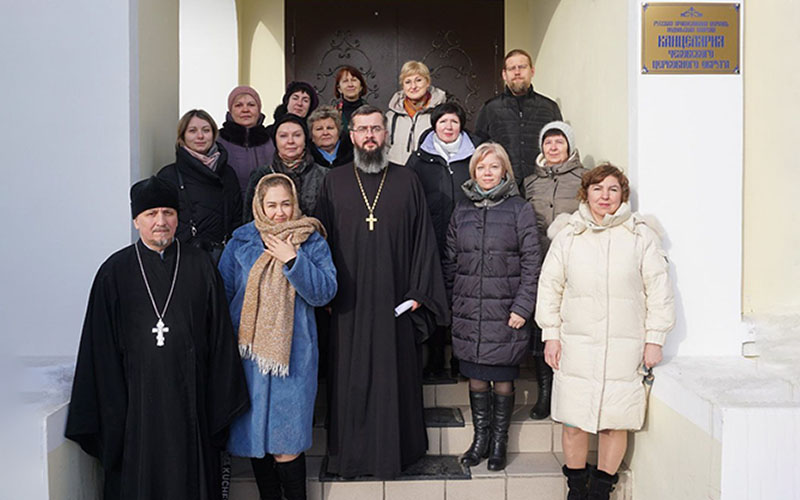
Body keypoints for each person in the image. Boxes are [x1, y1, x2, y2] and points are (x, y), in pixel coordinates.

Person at [65, 176, 249, 500]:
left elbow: (220, 339)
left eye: (168, 212)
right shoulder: (114, 272)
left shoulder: (201, 266)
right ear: (136, 220)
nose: (161, 222)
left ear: (178, 217)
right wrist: (113, 416)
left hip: (192, 404)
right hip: (135, 410)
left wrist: (217, 404)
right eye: (151, 214)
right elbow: (100, 350)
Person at [315, 105, 449, 479]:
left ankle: (399, 453)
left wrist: (419, 292)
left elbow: (424, 239)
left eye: (376, 129)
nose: (370, 135)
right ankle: (351, 458)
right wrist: (326, 292)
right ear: (352, 136)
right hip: (348, 303)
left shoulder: (407, 181)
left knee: (396, 377)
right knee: (351, 380)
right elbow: (319, 242)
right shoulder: (334, 181)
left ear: (386, 135)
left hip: (396, 300)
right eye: (362, 129)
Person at [536, 164, 675, 499]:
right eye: (598, 189)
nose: (605, 196)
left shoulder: (640, 236)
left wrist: (654, 339)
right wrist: (551, 335)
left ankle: (600, 490)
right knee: (574, 419)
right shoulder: (569, 236)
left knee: (615, 420)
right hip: (577, 345)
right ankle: (576, 488)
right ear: (586, 193)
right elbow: (550, 287)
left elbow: (659, 290)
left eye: (613, 189)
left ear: (622, 195)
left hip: (624, 346)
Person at [219, 173, 337, 500]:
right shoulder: (240, 242)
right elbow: (225, 294)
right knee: (259, 443)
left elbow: (325, 292)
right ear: (259, 205)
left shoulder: (310, 240)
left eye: (286, 203)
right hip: (250, 358)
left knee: (287, 444)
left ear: (295, 203)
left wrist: (293, 260)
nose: (279, 212)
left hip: (294, 357)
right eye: (271, 205)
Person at [443, 142, 541, 471]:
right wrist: (451, 303)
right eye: (481, 168)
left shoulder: (519, 209)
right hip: (470, 309)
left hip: (506, 312)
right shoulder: (462, 210)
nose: (487, 173)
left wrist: (522, 307)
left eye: (494, 167)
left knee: (501, 379)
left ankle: (499, 443)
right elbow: (451, 261)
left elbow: (532, 263)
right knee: (475, 378)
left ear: (505, 171)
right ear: (474, 172)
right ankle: (479, 440)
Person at [406, 101, 479, 378]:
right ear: (434, 126)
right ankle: (436, 357)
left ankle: (462, 359)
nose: (449, 127)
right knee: (434, 297)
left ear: (461, 125)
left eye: (454, 122)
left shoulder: (475, 155)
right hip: (432, 239)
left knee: (464, 300)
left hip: (468, 240)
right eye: (443, 122)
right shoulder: (419, 159)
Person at [522, 120, 587, 421]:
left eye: (559, 141)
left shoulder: (584, 178)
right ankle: (544, 393)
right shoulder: (530, 181)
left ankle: (566, 391)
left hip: (573, 261)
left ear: (569, 146)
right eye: (548, 142)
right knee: (542, 325)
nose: (553, 147)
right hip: (539, 260)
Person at [157, 109, 243, 263]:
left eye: (206, 130)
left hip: (224, 258)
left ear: (214, 134)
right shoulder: (169, 176)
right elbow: (161, 221)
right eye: (192, 131)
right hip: (185, 259)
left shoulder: (228, 173)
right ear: (182, 136)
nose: (200, 136)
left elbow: (237, 217)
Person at [475, 49, 562, 187]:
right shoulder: (490, 109)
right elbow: (480, 149)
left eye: (522, 67)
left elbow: (560, 148)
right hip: (503, 187)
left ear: (532, 71)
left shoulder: (549, 108)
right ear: (504, 74)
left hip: (542, 186)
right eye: (511, 68)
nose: (517, 72)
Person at [245, 113, 329, 223]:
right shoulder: (261, 175)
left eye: (297, 135)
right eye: (283, 136)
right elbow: (249, 219)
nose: (290, 141)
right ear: (275, 141)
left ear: (305, 139)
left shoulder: (325, 176)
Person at [385, 60, 447, 167]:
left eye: (418, 80)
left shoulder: (441, 114)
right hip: (397, 175)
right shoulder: (391, 117)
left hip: (430, 175)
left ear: (427, 82)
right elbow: (383, 148)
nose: (413, 86)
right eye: (408, 82)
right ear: (403, 86)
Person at [218, 85, 276, 198]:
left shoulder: (271, 140)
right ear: (230, 110)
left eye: (251, 105)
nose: (245, 110)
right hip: (229, 208)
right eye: (239, 105)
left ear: (259, 110)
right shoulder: (218, 141)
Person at [333, 65, 367, 134]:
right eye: (345, 81)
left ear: (361, 86)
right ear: (339, 89)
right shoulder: (333, 114)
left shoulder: (370, 112)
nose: (350, 84)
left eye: (354, 80)